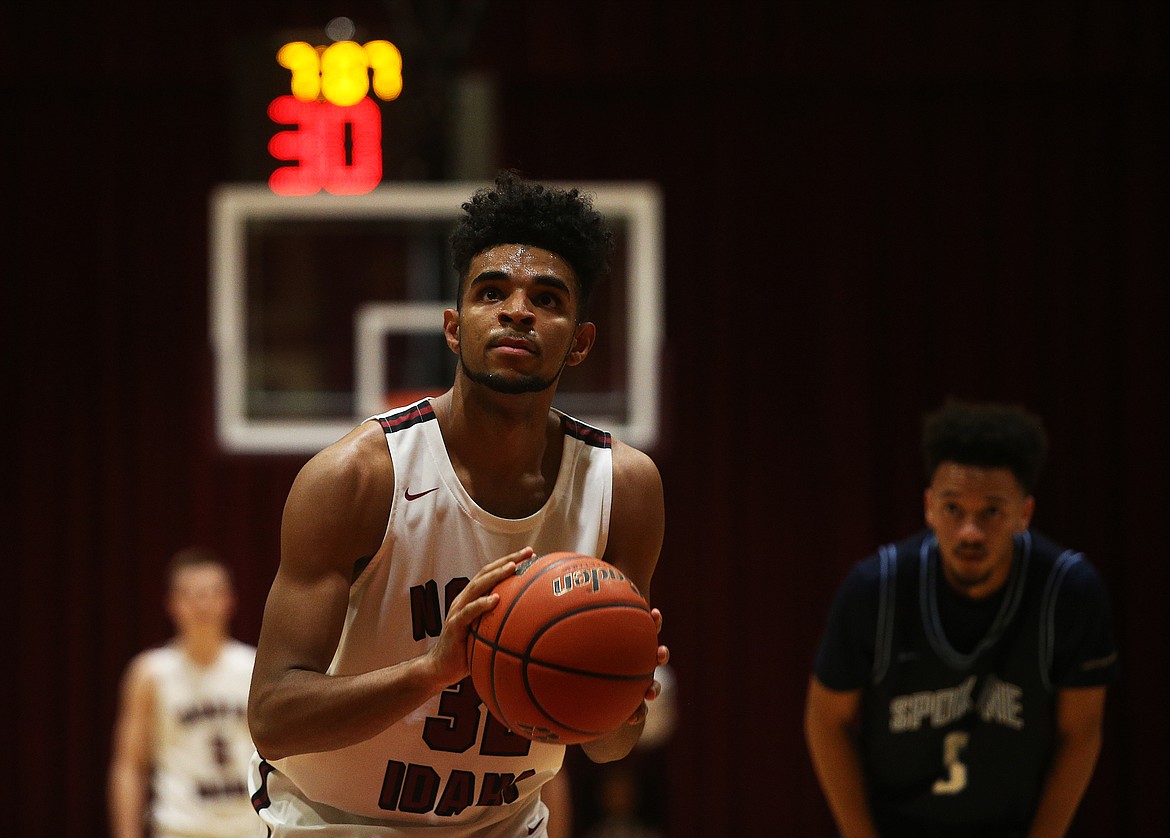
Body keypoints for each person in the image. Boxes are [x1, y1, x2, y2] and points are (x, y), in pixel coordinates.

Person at [246, 170, 668, 836]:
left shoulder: (625, 487)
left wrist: (620, 694)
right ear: (452, 326)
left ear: (580, 341)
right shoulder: (357, 478)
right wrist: (432, 671)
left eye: (547, 298)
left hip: (502, 824)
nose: (517, 310)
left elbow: (608, 745)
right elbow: (271, 718)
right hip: (332, 824)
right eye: (491, 291)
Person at [804, 400, 1119, 838]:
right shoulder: (875, 589)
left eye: (991, 511)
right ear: (930, 507)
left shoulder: (1068, 592)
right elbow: (825, 720)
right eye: (953, 509)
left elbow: (1080, 735)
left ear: (1024, 514)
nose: (970, 531)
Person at [108, 546, 266, 838]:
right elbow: (130, 765)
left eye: (211, 593)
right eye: (191, 595)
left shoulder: (255, 667)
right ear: (171, 603)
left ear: (230, 599)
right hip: (180, 828)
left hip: (249, 828)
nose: (202, 604)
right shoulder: (149, 673)